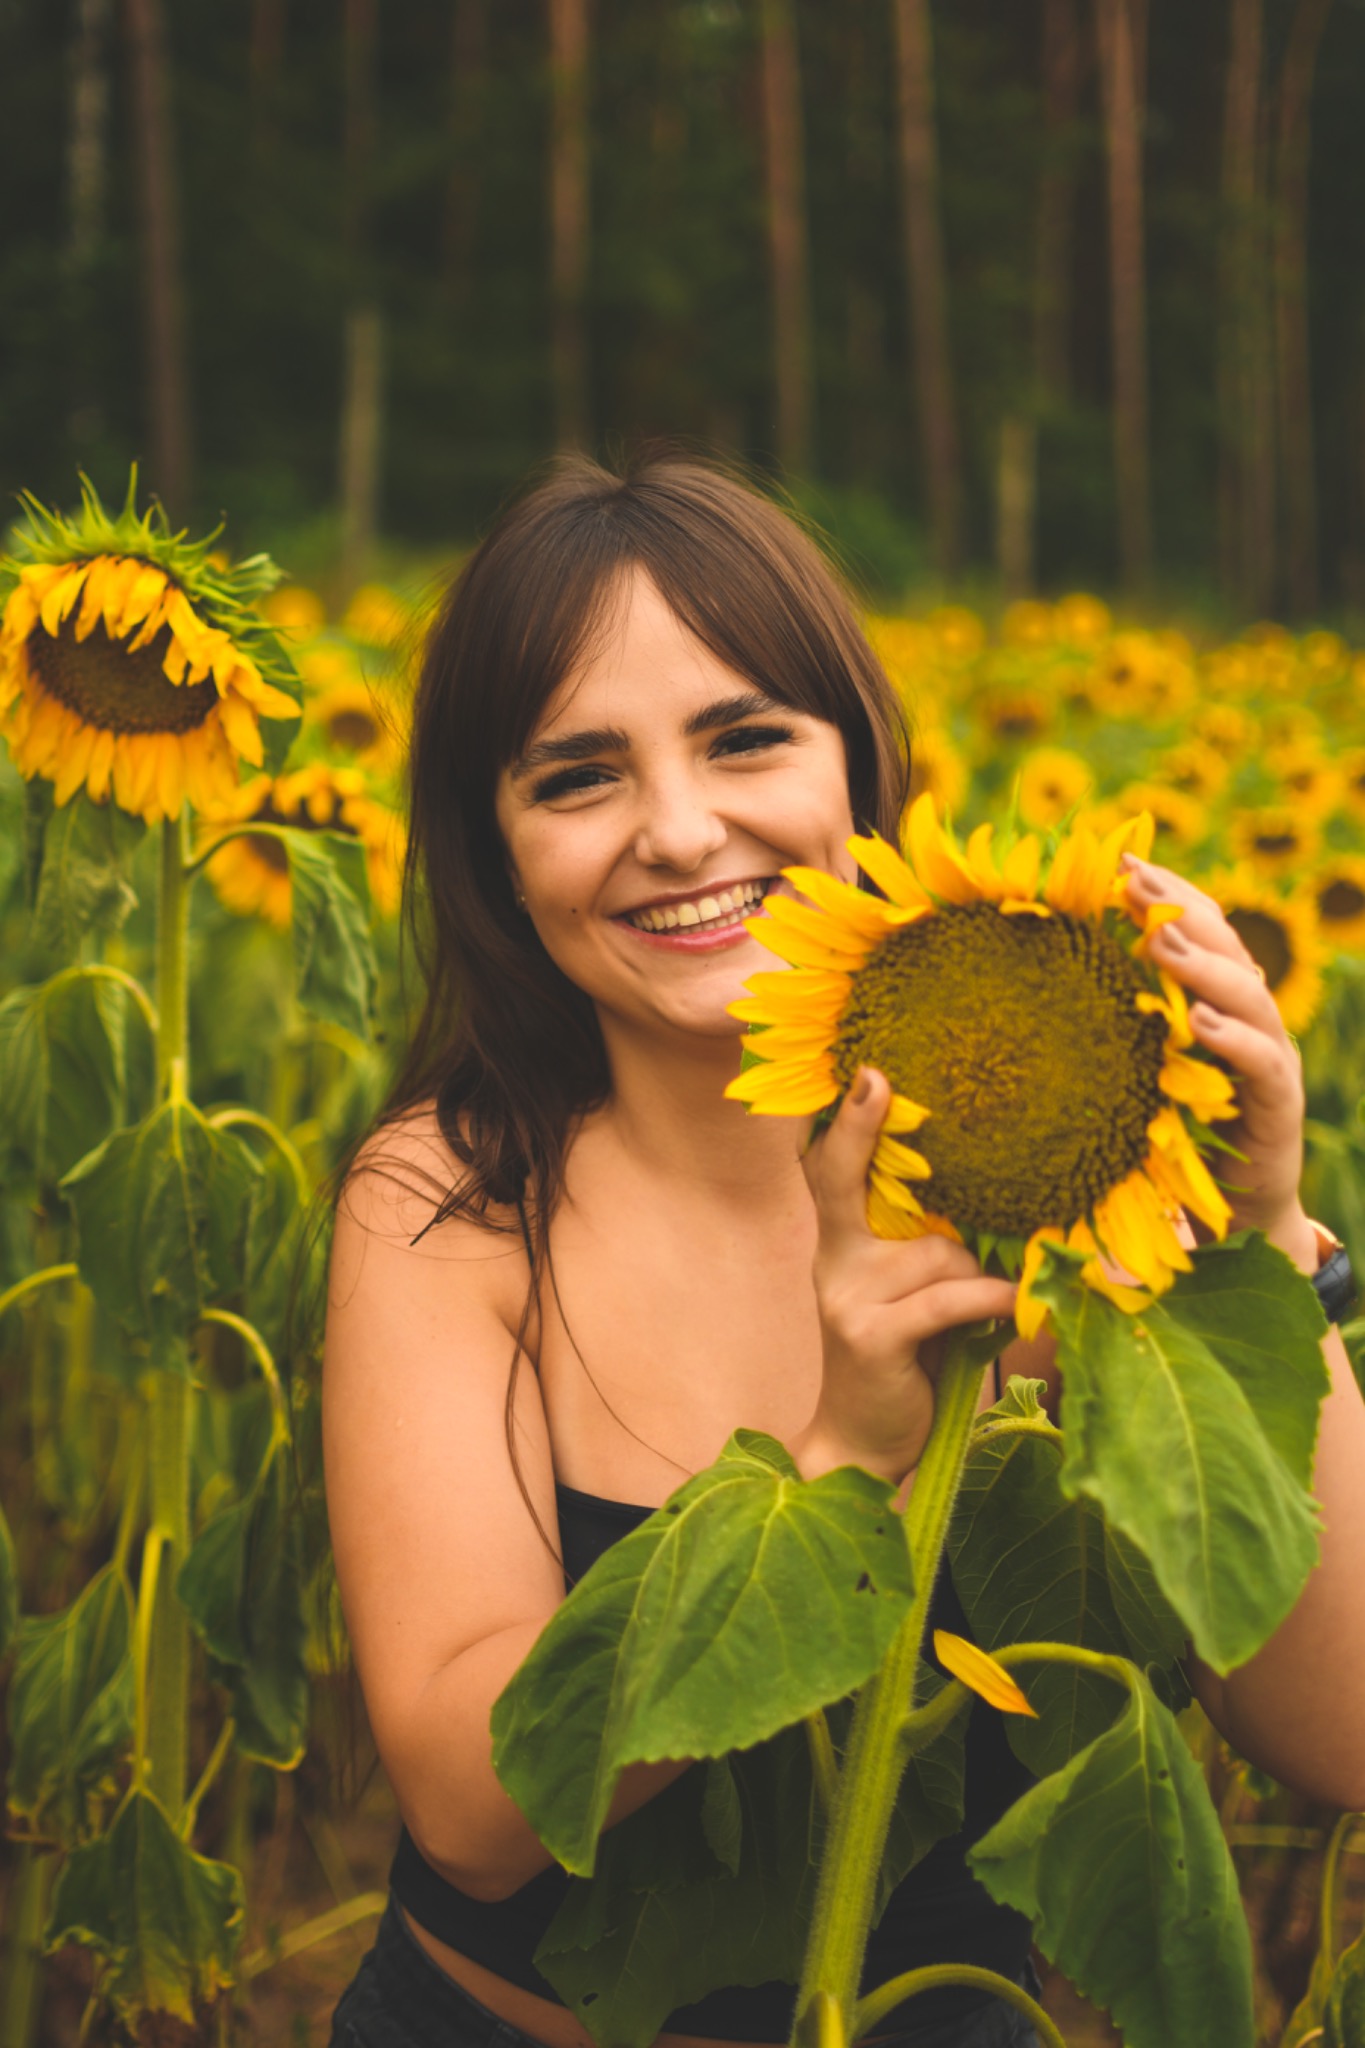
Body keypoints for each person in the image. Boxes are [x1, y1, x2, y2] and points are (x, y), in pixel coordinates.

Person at [323, 455, 1365, 2048]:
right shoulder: (457, 1205)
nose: (680, 831)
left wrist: (1252, 1244)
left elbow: (1343, 1728)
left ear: (860, 767)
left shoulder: (1061, 1204)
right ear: (494, 846)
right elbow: (476, 1804)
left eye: (745, 739)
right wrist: (835, 1468)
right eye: (576, 775)